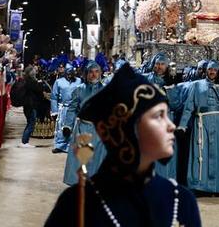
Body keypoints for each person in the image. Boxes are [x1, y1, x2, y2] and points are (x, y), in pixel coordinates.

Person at [45, 64, 201, 227]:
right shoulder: (76, 203)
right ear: (129, 129)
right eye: (158, 116)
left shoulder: (181, 201)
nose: (171, 126)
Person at [177, 60, 219, 194]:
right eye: (210, 69)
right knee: (201, 153)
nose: (212, 72)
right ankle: (200, 186)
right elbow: (189, 107)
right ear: (206, 70)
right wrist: (182, 125)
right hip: (202, 121)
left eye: (215, 70)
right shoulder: (196, 85)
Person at [63, 61, 107, 185]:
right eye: (91, 72)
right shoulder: (79, 90)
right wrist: (67, 126)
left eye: (96, 71)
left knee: (97, 158)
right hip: (82, 129)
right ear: (86, 74)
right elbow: (72, 109)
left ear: (100, 73)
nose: (94, 75)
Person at [50, 63, 81, 153]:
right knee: (61, 127)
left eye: (72, 73)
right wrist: (54, 111)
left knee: (74, 127)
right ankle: (60, 145)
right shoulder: (59, 82)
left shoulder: (79, 81)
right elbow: (54, 97)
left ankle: (72, 146)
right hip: (63, 108)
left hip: (75, 108)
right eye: (68, 73)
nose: (70, 75)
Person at [19, 64, 46, 148]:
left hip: (27, 105)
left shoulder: (26, 81)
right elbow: (39, 90)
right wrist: (40, 84)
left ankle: (24, 141)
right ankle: (24, 142)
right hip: (31, 105)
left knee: (29, 123)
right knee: (31, 123)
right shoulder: (31, 82)